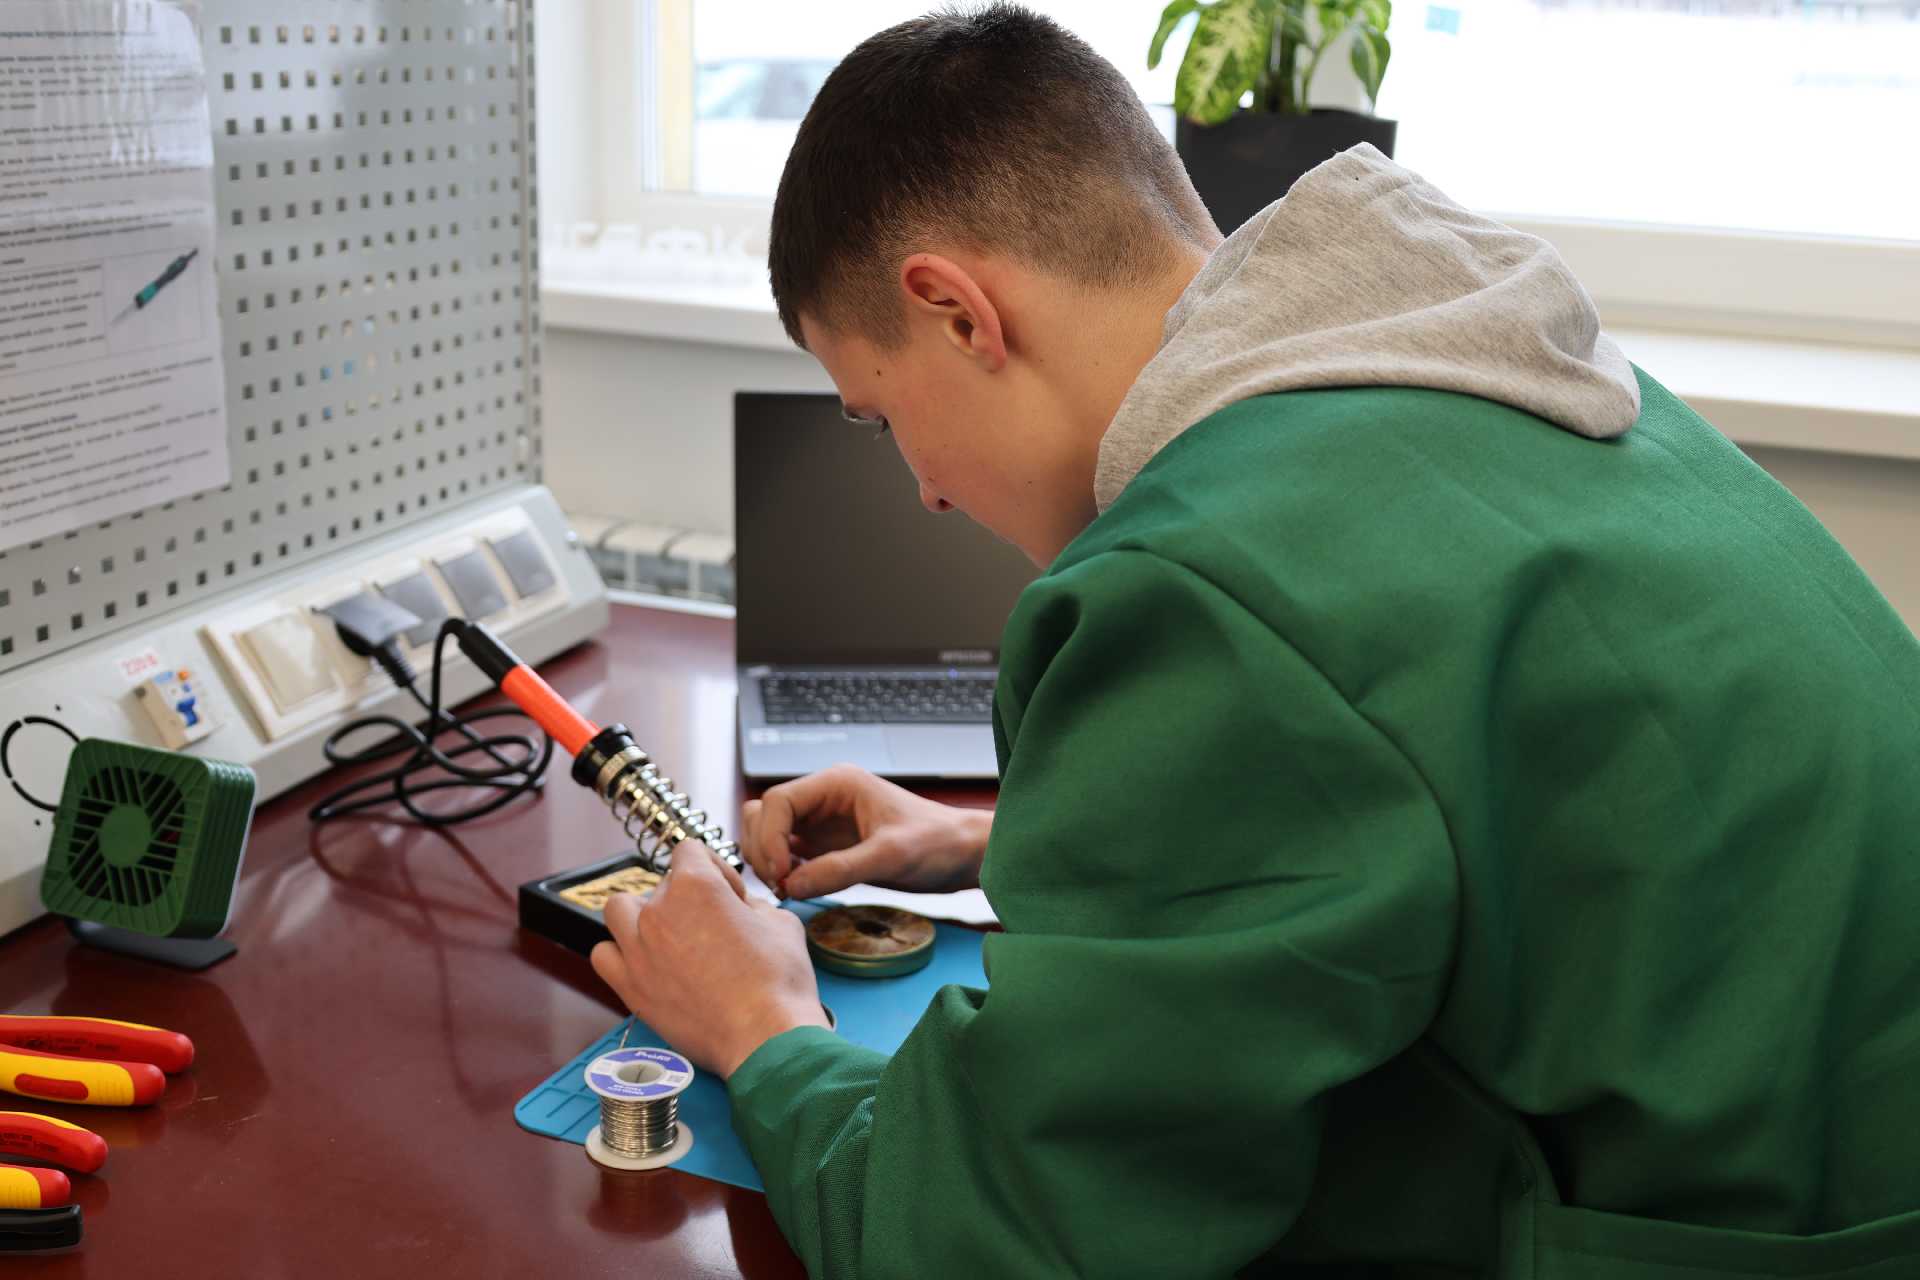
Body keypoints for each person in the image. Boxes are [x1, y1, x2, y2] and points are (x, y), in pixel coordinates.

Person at [588, 6, 1920, 1276]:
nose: (925, 490)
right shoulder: (1465, 361)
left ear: (958, 312)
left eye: (884, 420)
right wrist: (1008, 840)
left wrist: (761, 1026)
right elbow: (1483, 797)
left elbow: (993, 1242)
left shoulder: (1199, 590)